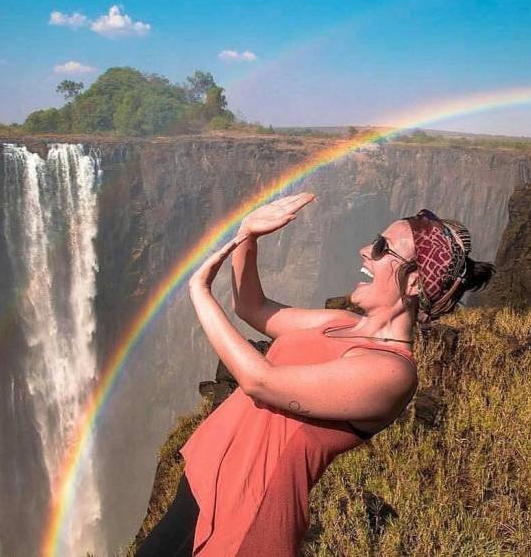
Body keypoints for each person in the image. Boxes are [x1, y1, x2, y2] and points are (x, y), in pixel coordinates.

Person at [135, 193, 495, 556]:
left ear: (415, 282)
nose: (365, 250)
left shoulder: (392, 372)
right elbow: (252, 307)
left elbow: (259, 382)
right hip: (204, 483)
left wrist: (200, 291)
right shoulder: (339, 322)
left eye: (382, 247)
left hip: (248, 520)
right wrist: (248, 235)